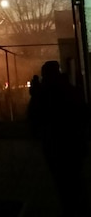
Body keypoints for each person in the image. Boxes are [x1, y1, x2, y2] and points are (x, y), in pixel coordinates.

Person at [27, 60, 90, 216]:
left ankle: (70, 208)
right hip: (74, 142)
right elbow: (83, 114)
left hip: (54, 144)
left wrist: (35, 95)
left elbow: (34, 117)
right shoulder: (72, 90)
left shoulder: (43, 94)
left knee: (62, 182)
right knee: (76, 179)